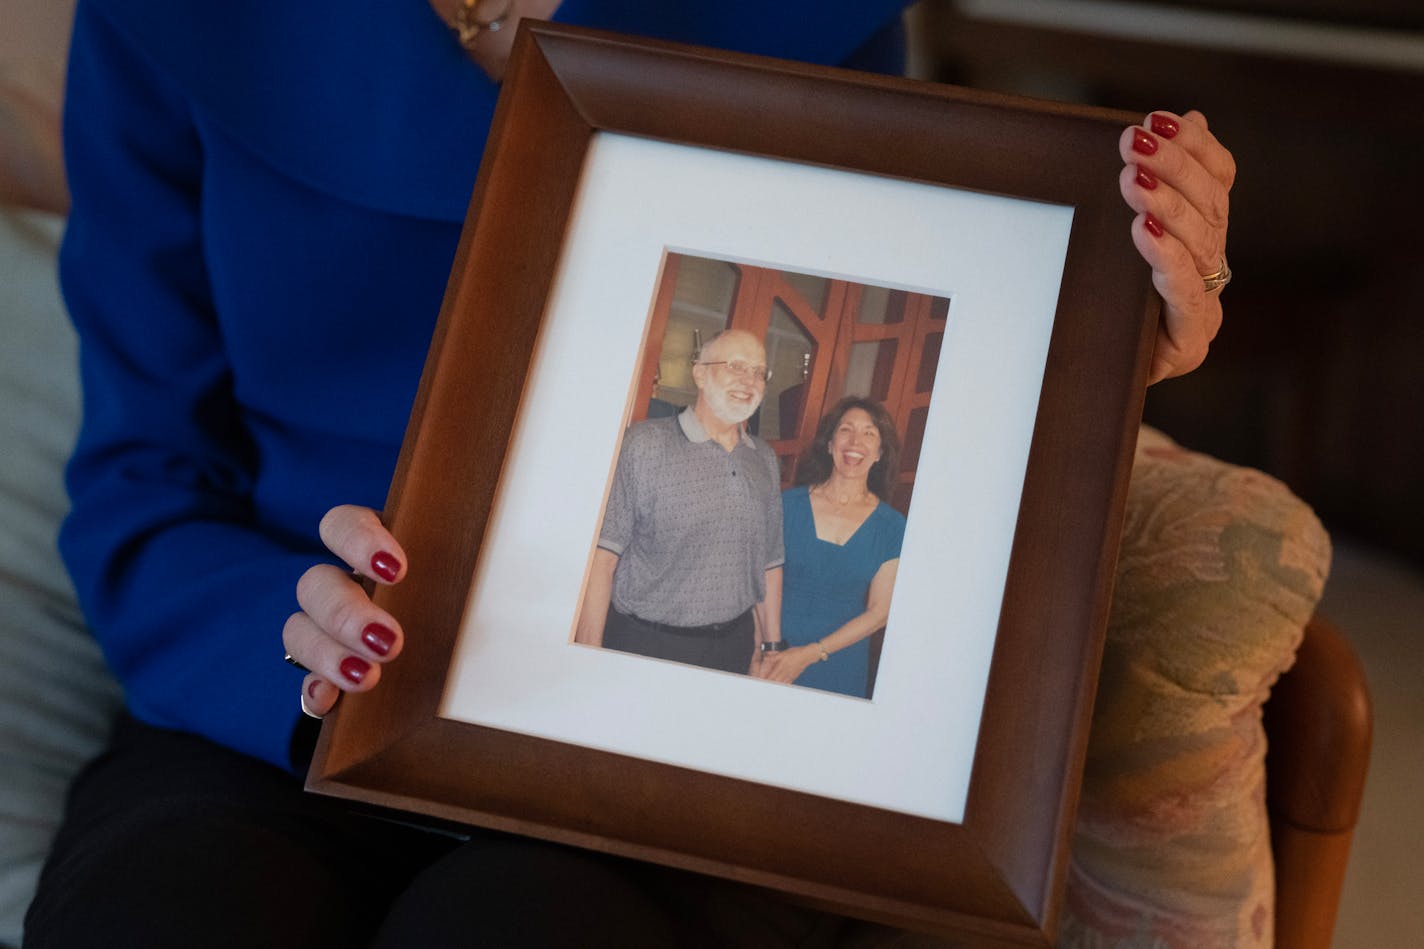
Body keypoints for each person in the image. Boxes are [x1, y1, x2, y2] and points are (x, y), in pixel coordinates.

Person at [25, 0, 1237, 943]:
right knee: (169, 916)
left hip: (674, 745)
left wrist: (1091, 343)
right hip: (280, 692)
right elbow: (144, 475)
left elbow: (915, 309)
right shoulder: (167, 23)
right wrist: (279, 643)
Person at [574, 329, 785, 675]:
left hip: (733, 647)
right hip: (646, 644)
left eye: (759, 371)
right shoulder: (644, 444)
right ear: (700, 374)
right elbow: (602, 560)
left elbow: (770, 562)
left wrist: (770, 648)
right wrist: (586, 654)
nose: (750, 380)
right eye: (736, 366)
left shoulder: (763, 458)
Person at [758, 398, 906, 698]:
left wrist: (810, 653)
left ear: (879, 453)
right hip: (771, 653)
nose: (855, 441)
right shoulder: (785, 505)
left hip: (839, 663)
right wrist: (761, 653)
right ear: (829, 444)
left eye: (869, 434)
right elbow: (757, 587)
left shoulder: (892, 526)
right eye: (846, 430)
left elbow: (880, 612)